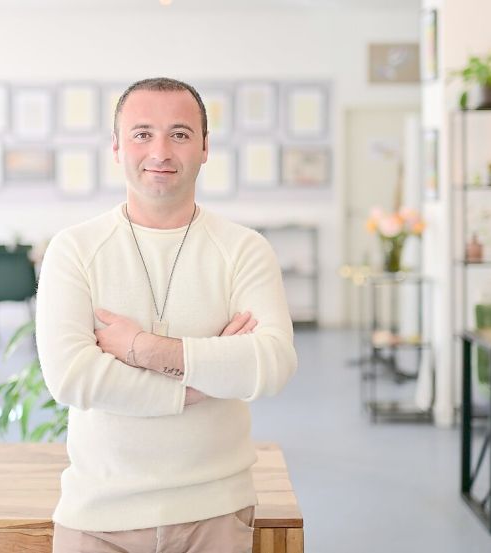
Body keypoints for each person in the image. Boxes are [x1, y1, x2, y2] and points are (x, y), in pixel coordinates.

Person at [36, 77, 298, 553]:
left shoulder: (244, 250)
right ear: (116, 147)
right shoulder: (74, 250)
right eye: (142, 133)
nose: (160, 150)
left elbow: (273, 363)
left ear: (204, 148)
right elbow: (72, 378)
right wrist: (206, 375)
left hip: (215, 512)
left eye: (179, 133)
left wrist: (142, 350)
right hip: (97, 516)